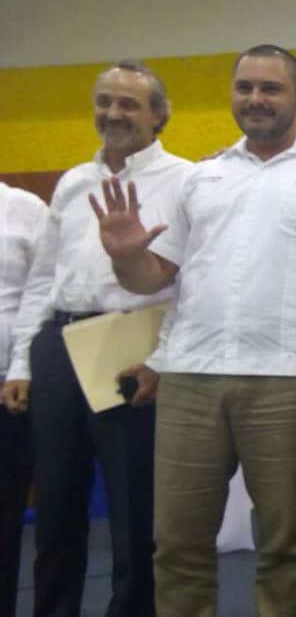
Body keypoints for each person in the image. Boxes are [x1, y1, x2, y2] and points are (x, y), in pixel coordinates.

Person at [90, 44, 296, 617]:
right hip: (188, 381)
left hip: (288, 382)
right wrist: (126, 256)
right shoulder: (203, 177)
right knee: (177, 546)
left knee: (287, 548)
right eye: (245, 87)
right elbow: (153, 276)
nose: (256, 99)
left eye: (270, 88)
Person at [0, 59, 187, 617]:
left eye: (128, 103)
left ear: (159, 115)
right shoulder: (74, 183)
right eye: (104, 101)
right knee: (56, 509)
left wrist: (161, 359)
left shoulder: (183, 181)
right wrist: (23, 365)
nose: (112, 113)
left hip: (132, 345)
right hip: (58, 345)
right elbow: (43, 279)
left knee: (135, 515)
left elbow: (192, 283)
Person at [0, 182, 49, 617]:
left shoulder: (25, 208)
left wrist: (21, 368)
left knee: (5, 518)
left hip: (6, 386)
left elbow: (40, 295)